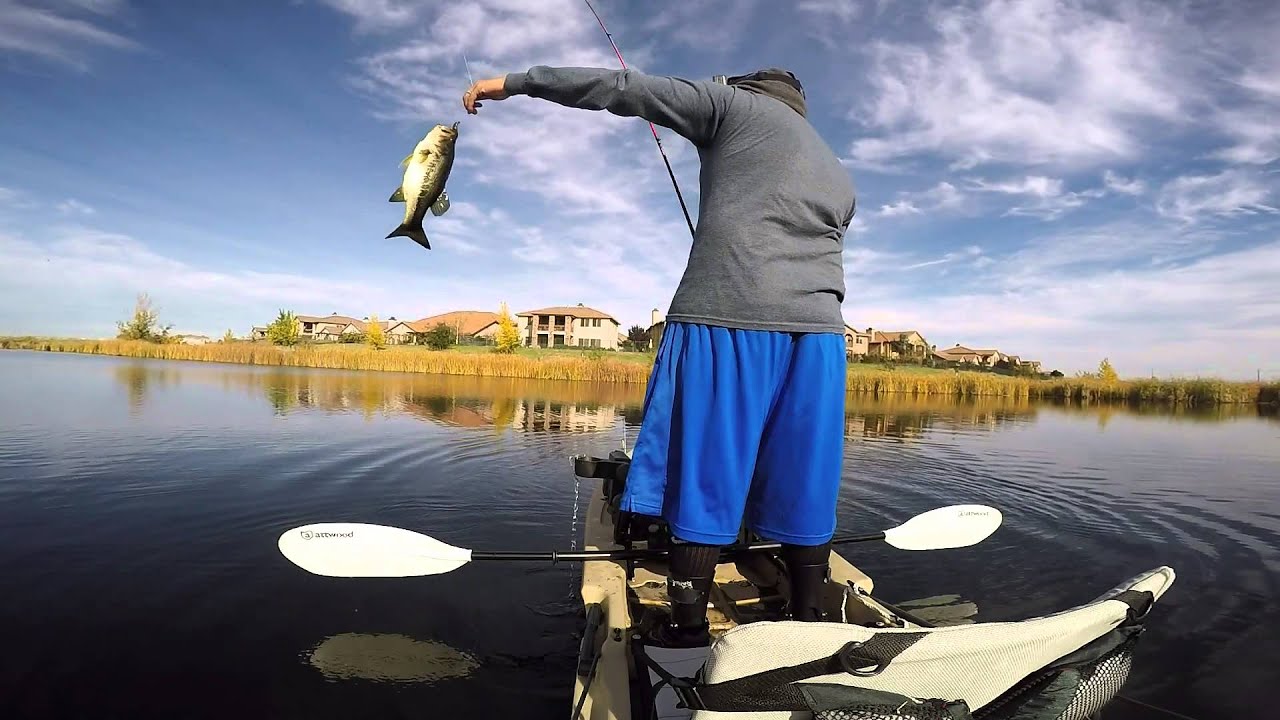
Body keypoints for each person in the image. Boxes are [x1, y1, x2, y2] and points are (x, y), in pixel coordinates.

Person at [463, 66, 856, 646]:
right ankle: (811, 616)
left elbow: (625, 90)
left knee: (703, 466)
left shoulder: (730, 107)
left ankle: (689, 627)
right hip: (822, 339)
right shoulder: (838, 171)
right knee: (805, 474)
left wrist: (517, 83)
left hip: (729, 322)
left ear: (745, 88)